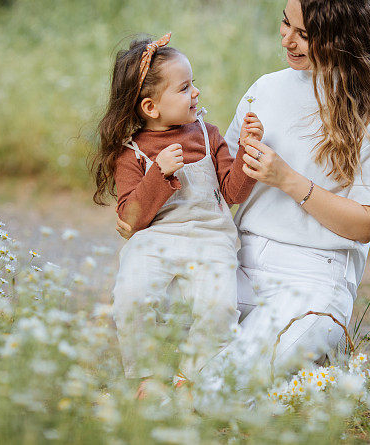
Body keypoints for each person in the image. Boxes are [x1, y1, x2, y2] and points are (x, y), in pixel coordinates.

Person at [119, 0, 370, 390]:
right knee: (148, 310)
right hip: (236, 260)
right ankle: (292, 374)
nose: (286, 39)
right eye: (285, 22)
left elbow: (364, 225)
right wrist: (142, 203)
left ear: (339, 37)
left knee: (218, 384)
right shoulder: (266, 88)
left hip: (314, 277)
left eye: (303, 33)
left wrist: (288, 179)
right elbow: (223, 187)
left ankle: (337, 379)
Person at [92, 33, 264, 395]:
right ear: (151, 108)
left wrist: (248, 152)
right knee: (131, 295)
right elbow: (131, 217)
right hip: (155, 240)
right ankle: (147, 377)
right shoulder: (131, 153)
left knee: (219, 306)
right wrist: (158, 173)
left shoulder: (208, 134)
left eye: (193, 84)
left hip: (210, 238)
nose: (196, 93)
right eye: (184, 88)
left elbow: (232, 192)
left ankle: (191, 376)